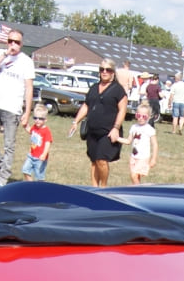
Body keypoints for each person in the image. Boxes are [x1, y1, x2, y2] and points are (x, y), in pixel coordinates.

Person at [0, 30, 33, 185]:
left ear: (21, 44)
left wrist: (27, 112)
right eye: (11, 41)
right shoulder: (0, 54)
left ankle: (3, 179)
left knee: (9, 145)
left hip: (13, 108)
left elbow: (29, 87)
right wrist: (5, 54)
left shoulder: (26, 61)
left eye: (17, 42)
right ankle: (3, 166)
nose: (13, 44)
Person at [68, 57, 127, 188]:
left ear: (113, 72)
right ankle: (94, 188)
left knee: (102, 159)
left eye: (108, 70)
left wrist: (116, 128)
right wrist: (75, 121)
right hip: (92, 130)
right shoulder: (94, 88)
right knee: (94, 160)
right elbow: (86, 106)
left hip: (108, 131)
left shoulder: (118, 90)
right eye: (102, 69)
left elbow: (122, 110)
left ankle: (103, 187)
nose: (104, 72)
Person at [126, 103, 158, 184]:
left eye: (144, 116)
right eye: (138, 115)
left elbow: (155, 144)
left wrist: (153, 159)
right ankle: (137, 191)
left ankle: (137, 190)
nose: (140, 118)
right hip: (133, 156)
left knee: (134, 175)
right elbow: (128, 141)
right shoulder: (134, 127)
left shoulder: (149, 129)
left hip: (143, 157)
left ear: (149, 117)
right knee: (135, 176)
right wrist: (117, 138)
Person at [22, 103, 52, 181]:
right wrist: (26, 126)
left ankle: (40, 189)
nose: (37, 120)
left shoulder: (46, 131)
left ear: (45, 120)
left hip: (40, 158)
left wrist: (44, 154)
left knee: (39, 177)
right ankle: (31, 186)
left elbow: (48, 143)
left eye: (40, 118)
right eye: (35, 118)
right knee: (25, 170)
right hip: (31, 155)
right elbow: (30, 131)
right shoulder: (35, 127)